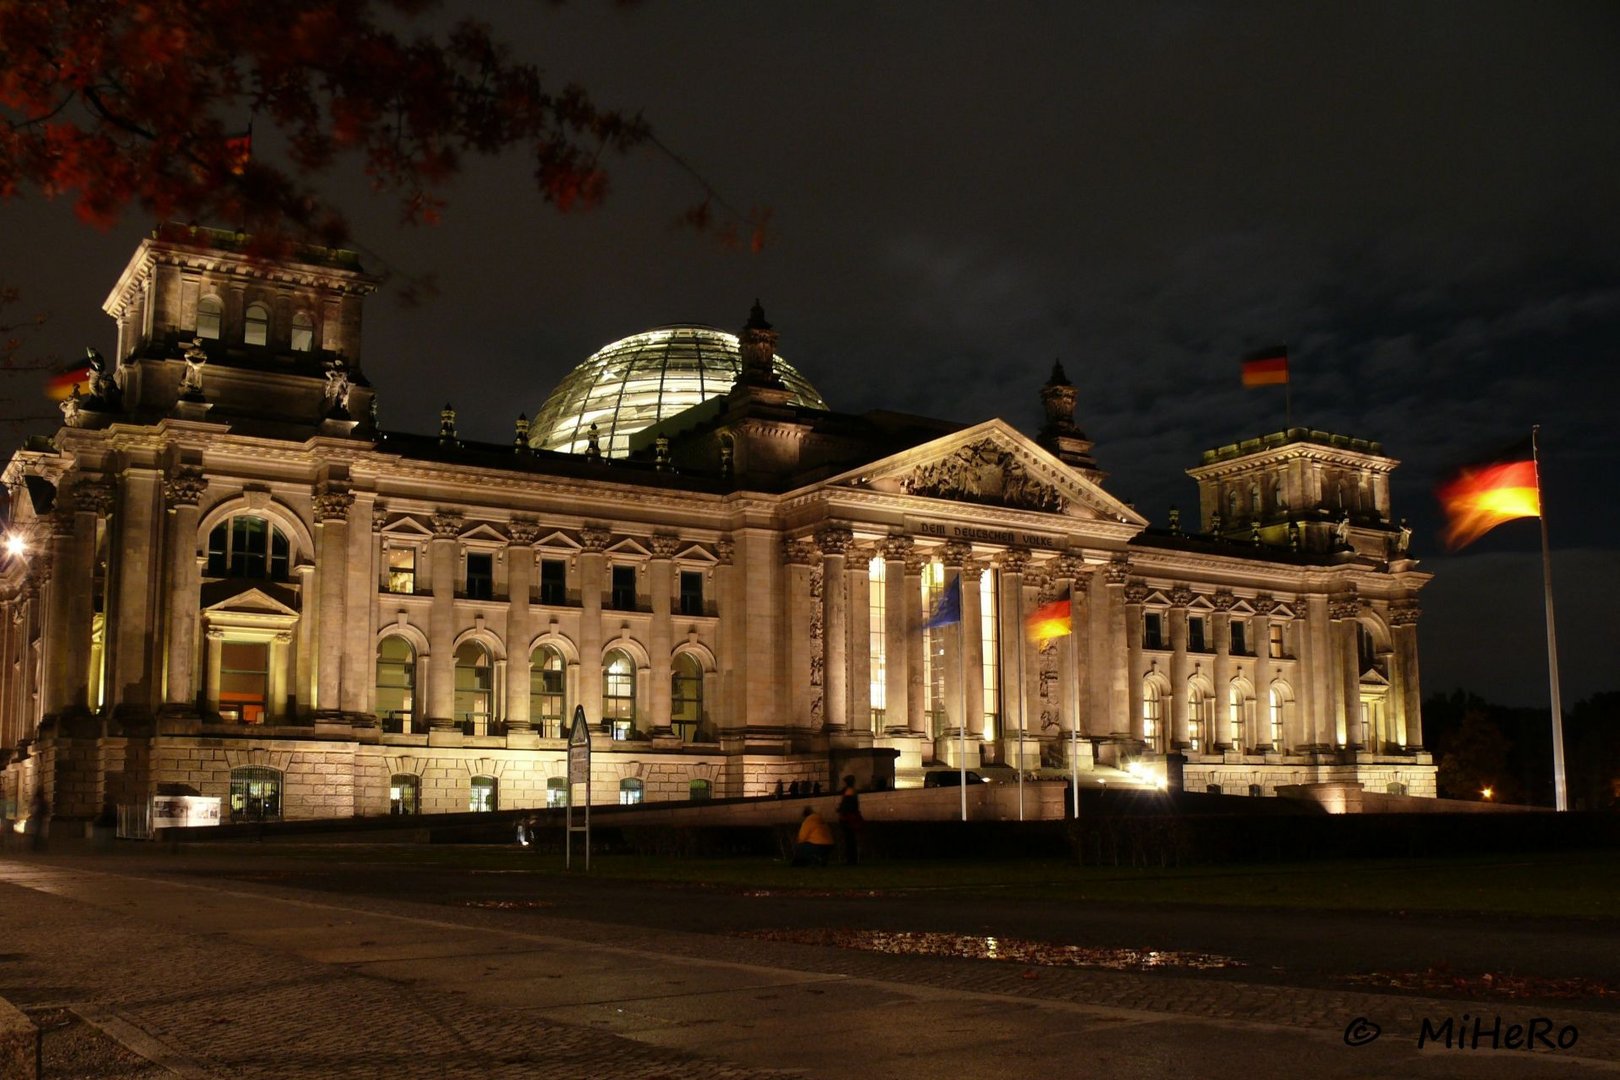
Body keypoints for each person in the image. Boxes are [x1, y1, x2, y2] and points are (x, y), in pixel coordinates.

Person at [836, 774, 864, 865]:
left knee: (849, 840)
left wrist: (840, 809)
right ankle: (852, 859)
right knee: (851, 840)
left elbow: (846, 807)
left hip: (848, 819)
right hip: (851, 818)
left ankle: (850, 859)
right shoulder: (853, 791)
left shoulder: (849, 792)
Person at [28, 788, 49, 852]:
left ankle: (35, 847)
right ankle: (36, 847)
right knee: (37, 833)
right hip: (39, 818)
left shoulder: (36, 800)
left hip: (37, 818)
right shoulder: (42, 801)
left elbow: (33, 808)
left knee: (36, 833)